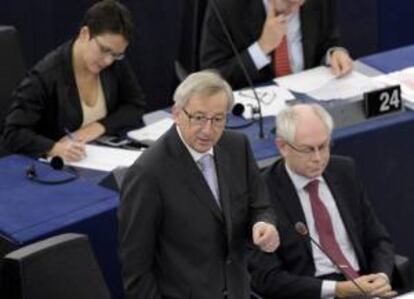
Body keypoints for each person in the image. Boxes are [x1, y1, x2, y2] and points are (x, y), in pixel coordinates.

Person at [118, 70, 280, 299]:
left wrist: (264, 224)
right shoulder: (148, 174)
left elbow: (259, 206)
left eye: (218, 119)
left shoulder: (237, 146)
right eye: (198, 117)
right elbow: (137, 270)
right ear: (177, 113)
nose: (208, 130)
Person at [248, 104, 396, 299]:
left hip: (365, 284)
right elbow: (266, 278)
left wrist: (381, 276)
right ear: (283, 147)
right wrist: (337, 289)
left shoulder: (344, 171)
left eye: (324, 146)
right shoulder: (262, 193)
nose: (318, 158)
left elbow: (378, 239)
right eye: (308, 149)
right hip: (313, 292)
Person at [3, 0, 146, 161]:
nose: (108, 61)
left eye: (116, 54)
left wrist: (97, 127)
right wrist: (54, 148)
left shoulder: (114, 63)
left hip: (97, 157)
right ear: (85, 33)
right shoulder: (46, 75)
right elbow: (13, 133)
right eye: (104, 50)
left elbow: (135, 105)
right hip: (57, 169)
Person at [200, 0, 353, 89]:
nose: (297, 6)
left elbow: (328, 41)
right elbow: (212, 77)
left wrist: (334, 53)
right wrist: (261, 48)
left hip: (311, 97)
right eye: (290, 2)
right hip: (257, 106)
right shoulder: (226, 6)